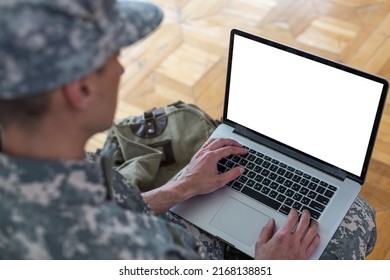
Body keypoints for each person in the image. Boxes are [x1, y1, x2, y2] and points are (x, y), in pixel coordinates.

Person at [0, 0, 376, 260]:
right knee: (356, 217)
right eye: (114, 55)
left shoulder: (36, 165)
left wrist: (180, 188)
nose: (121, 69)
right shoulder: (119, 248)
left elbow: (111, 210)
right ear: (81, 89)